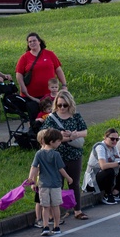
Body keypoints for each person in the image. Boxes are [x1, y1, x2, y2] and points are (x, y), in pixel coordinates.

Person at [44, 90, 89, 220]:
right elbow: (45, 135)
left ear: (70, 104)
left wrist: (75, 135)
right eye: (59, 105)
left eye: (65, 105)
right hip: (56, 156)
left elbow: (85, 131)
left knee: (74, 183)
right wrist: (63, 137)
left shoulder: (76, 115)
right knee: (57, 184)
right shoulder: (51, 118)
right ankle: (56, 212)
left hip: (74, 155)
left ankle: (77, 210)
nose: (62, 108)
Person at [27, 128, 75, 237]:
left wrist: (31, 179)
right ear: (52, 142)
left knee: (45, 206)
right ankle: (56, 226)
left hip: (43, 184)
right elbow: (61, 169)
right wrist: (68, 178)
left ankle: (45, 226)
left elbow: (34, 167)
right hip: (55, 184)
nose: (59, 143)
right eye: (58, 141)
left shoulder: (39, 153)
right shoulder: (56, 154)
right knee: (55, 206)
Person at [15, 32, 66, 121]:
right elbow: (18, 74)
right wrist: (23, 88)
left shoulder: (49, 54)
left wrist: (64, 85)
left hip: (49, 94)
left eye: (34, 40)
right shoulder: (24, 57)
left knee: (53, 117)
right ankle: (34, 133)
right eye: (29, 41)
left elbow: (58, 70)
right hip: (31, 95)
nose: (32, 43)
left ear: (39, 41)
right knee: (36, 118)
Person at [83, 128, 120, 205]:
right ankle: (107, 194)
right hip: (93, 181)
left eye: (117, 139)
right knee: (109, 170)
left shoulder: (114, 147)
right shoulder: (100, 147)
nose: (115, 141)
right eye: (112, 139)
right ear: (105, 137)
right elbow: (103, 166)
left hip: (106, 176)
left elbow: (119, 163)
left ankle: (115, 192)